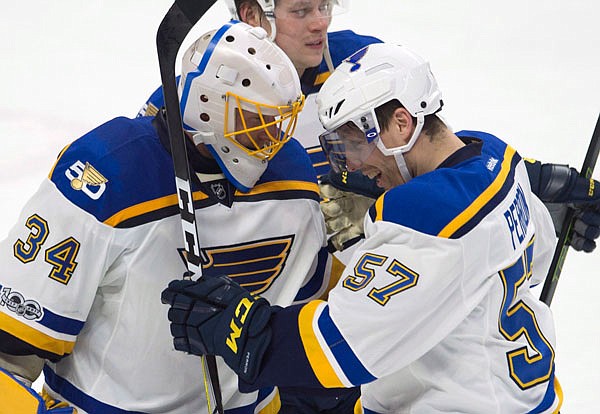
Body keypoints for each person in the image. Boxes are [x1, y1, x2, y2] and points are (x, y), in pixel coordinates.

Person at [161, 43, 563, 413]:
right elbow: (528, 258)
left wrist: (244, 328)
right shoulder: (499, 160)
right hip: (522, 396)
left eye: (354, 143)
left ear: (402, 124)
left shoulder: (426, 216)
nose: (351, 165)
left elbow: (338, 351)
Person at [0, 21, 330, 413]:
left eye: (279, 121)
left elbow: (311, 305)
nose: (273, 138)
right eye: (258, 121)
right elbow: (11, 349)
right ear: (210, 110)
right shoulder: (108, 175)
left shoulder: (292, 171)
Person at [140, 0, 600, 258]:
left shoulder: (361, 64)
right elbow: (165, 210)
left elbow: (429, 150)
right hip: (260, 311)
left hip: (361, 303)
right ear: (251, 15)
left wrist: (531, 190)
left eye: (324, 4)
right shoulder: (199, 95)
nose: (321, 21)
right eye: (301, 10)